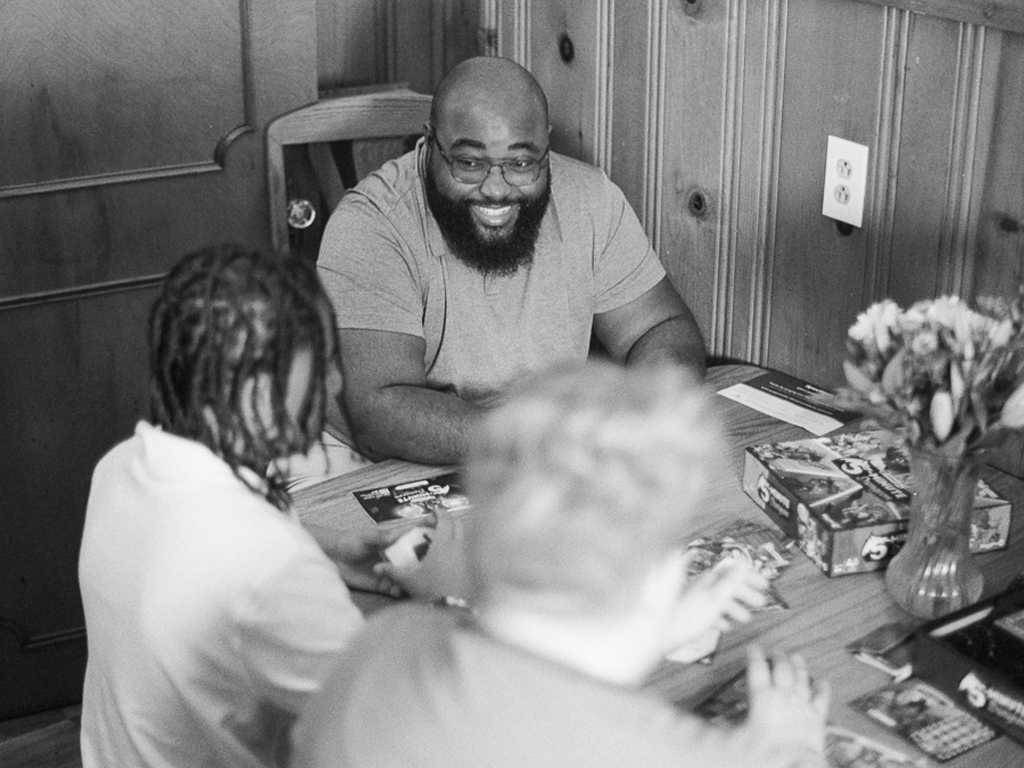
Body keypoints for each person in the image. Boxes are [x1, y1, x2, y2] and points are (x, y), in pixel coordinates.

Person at [291, 361, 830, 768]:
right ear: (660, 578)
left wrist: (659, 631)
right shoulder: (676, 754)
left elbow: (530, 700)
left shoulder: (386, 639)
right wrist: (790, 745)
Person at [78, 245, 397, 768]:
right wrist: (455, 596)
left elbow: (218, 546)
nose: (337, 383)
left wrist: (335, 550)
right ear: (247, 385)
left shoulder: (122, 467)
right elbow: (392, 724)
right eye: (319, 361)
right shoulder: (269, 563)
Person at [315, 55, 707, 470]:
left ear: (545, 147)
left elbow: (660, 327)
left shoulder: (591, 199)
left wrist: (646, 411)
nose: (497, 189)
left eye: (521, 163)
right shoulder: (372, 222)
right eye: (470, 163)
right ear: (430, 143)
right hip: (369, 459)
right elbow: (379, 411)